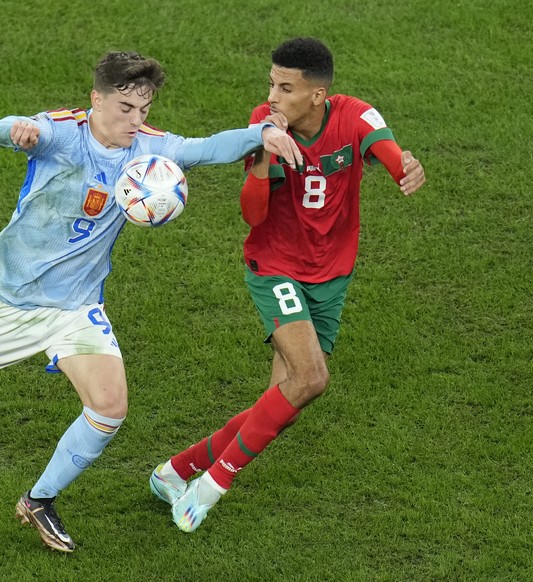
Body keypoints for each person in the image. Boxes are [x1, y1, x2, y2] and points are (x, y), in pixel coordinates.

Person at [0, 50, 303, 553]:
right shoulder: (61, 134)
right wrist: (16, 130)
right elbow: (1, 128)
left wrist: (263, 135)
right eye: (124, 108)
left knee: (109, 407)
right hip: (13, 299)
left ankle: (39, 498)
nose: (135, 121)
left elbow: (208, 147)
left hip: (77, 306)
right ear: (96, 99)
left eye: (143, 110)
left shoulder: (148, 150)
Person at [149, 37, 426, 532]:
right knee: (312, 378)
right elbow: (252, 217)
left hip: (331, 274)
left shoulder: (355, 117)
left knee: (288, 400)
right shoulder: (266, 127)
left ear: (317, 95)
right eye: (271, 84)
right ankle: (211, 486)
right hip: (275, 266)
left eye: (285, 87)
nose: (272, 97)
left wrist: (405, 167)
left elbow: (386, 151)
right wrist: (260, 154)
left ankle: (176, 470)